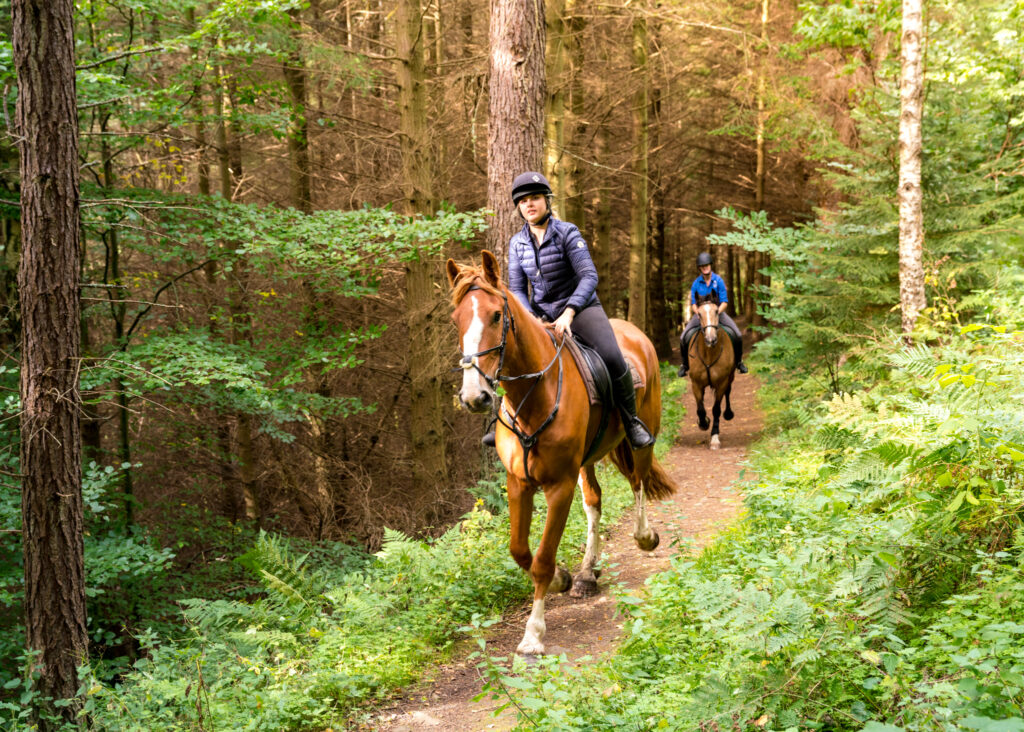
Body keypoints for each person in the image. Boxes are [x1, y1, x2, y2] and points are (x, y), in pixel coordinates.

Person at [481, 171, 655, 450]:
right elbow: (517, 289)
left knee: (611, 355)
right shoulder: (517, 243)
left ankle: (631, 420)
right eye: (523, 200)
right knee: (507, 353)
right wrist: (531, 319)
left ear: (546, 201)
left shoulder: (568, 233)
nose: (529, 204)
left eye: (535, 198)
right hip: (540, 317)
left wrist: (570, 312)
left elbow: (589, 276)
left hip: (580, 309)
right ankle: (502, 421)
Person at [677, 251, 748, 377]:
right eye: (702, 266)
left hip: (718, 313)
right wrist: (698, 312)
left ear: (711, 265)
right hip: (701, 315)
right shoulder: (696, 283)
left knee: (737, 334)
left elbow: (725, 301)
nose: (705, 267)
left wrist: (715, 312)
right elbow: (693, 303)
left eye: (707, 265)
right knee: (683, 337)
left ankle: (739, 362)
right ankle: (685, 365)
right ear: (700, 268)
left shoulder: (718, 280)